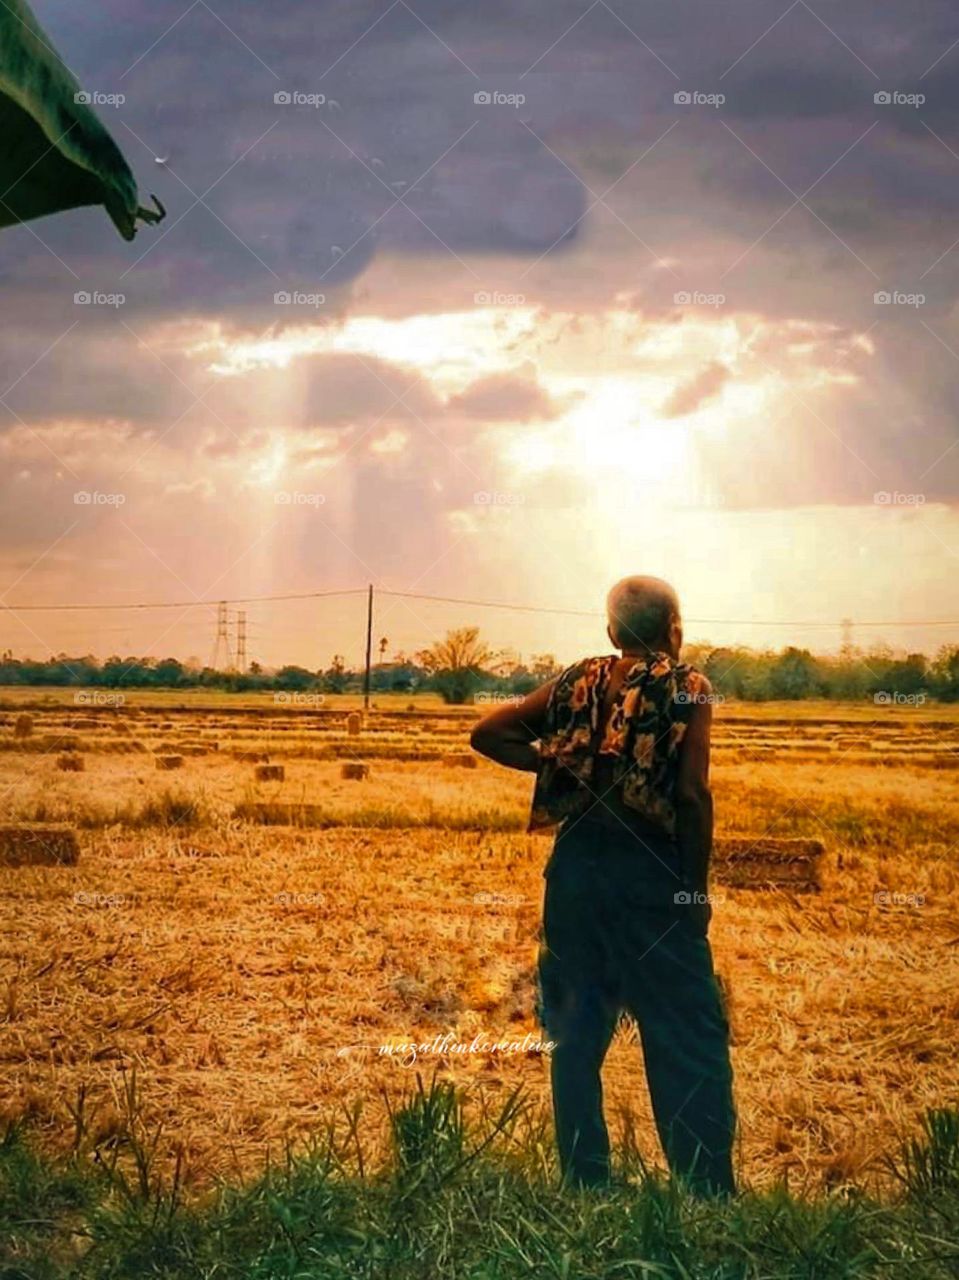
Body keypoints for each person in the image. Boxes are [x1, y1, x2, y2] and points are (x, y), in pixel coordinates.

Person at [470, 575, 736, 1197]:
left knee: (573, 1033)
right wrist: (694, 892)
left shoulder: (576, 680)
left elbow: (488, 733)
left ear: (612, 632)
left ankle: (586, 1182)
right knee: (686, 1031)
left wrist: (562, 764)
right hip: (650, 878)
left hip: (575, 877)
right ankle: (705, 1189)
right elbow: (692, 794)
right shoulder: (688, 686)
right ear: (674, 629)